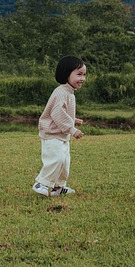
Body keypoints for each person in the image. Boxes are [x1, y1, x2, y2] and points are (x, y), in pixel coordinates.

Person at [32, 55, 86, 197]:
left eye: (84, 75)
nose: (83, 78)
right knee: (56, 159)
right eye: (79, 74)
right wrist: (72, 129)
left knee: (64, 162)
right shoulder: (61, 92)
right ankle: (41, 183)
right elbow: (57, 113)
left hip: (61, 134)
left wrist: (73, 119)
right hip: (52, 134)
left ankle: (58, 187)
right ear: (66, 74)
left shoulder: (69, 92)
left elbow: (62, 112)